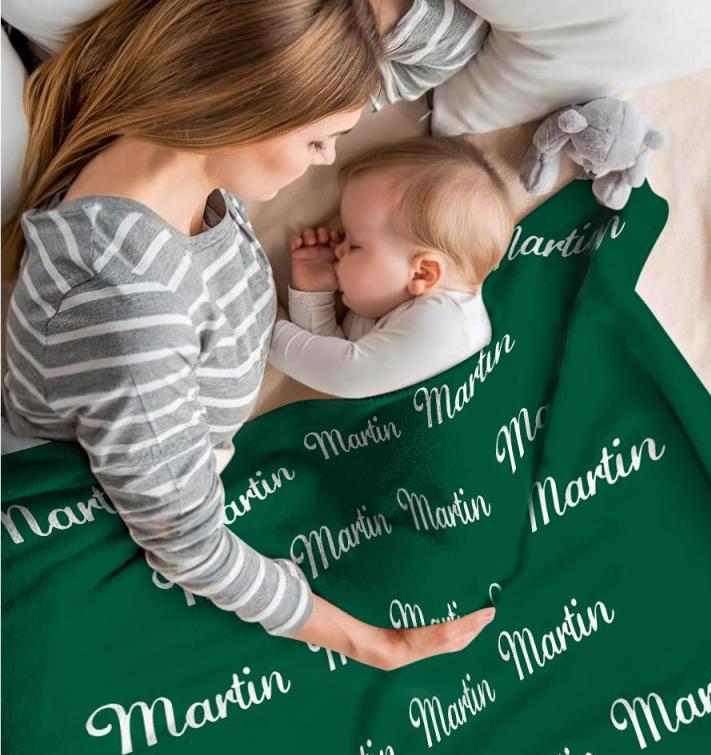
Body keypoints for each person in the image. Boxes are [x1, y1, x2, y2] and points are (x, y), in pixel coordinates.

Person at [0, 0, 496, 671]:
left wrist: (347, 14)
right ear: (255, 106)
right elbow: (189, 545)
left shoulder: (171, 133)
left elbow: (452, 46)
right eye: (319, 141)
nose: (328, 160)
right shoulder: (131, 306)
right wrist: (374, 644)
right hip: (110, 530)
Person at [269, 136, 516, 397]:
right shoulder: (389, 302)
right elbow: (324, 364)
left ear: (423, 273)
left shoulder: (450, 321)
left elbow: (349, 376)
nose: (339, 249)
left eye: (354, 245)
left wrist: (267, 330)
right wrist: (314, 296)